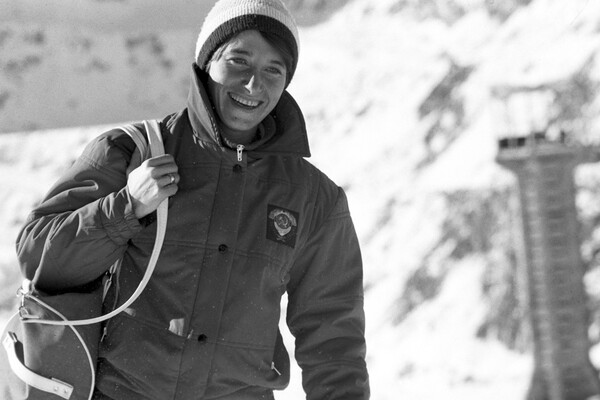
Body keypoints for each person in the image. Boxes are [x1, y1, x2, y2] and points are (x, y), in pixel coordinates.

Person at [15, 0, 370, 399]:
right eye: (239, 61)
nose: (254, 84)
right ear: (206, 62)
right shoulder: (128, 152)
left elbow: (334, 338)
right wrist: (126, 208)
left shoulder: (314, 199)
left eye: (274, 69)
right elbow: (38, 255)